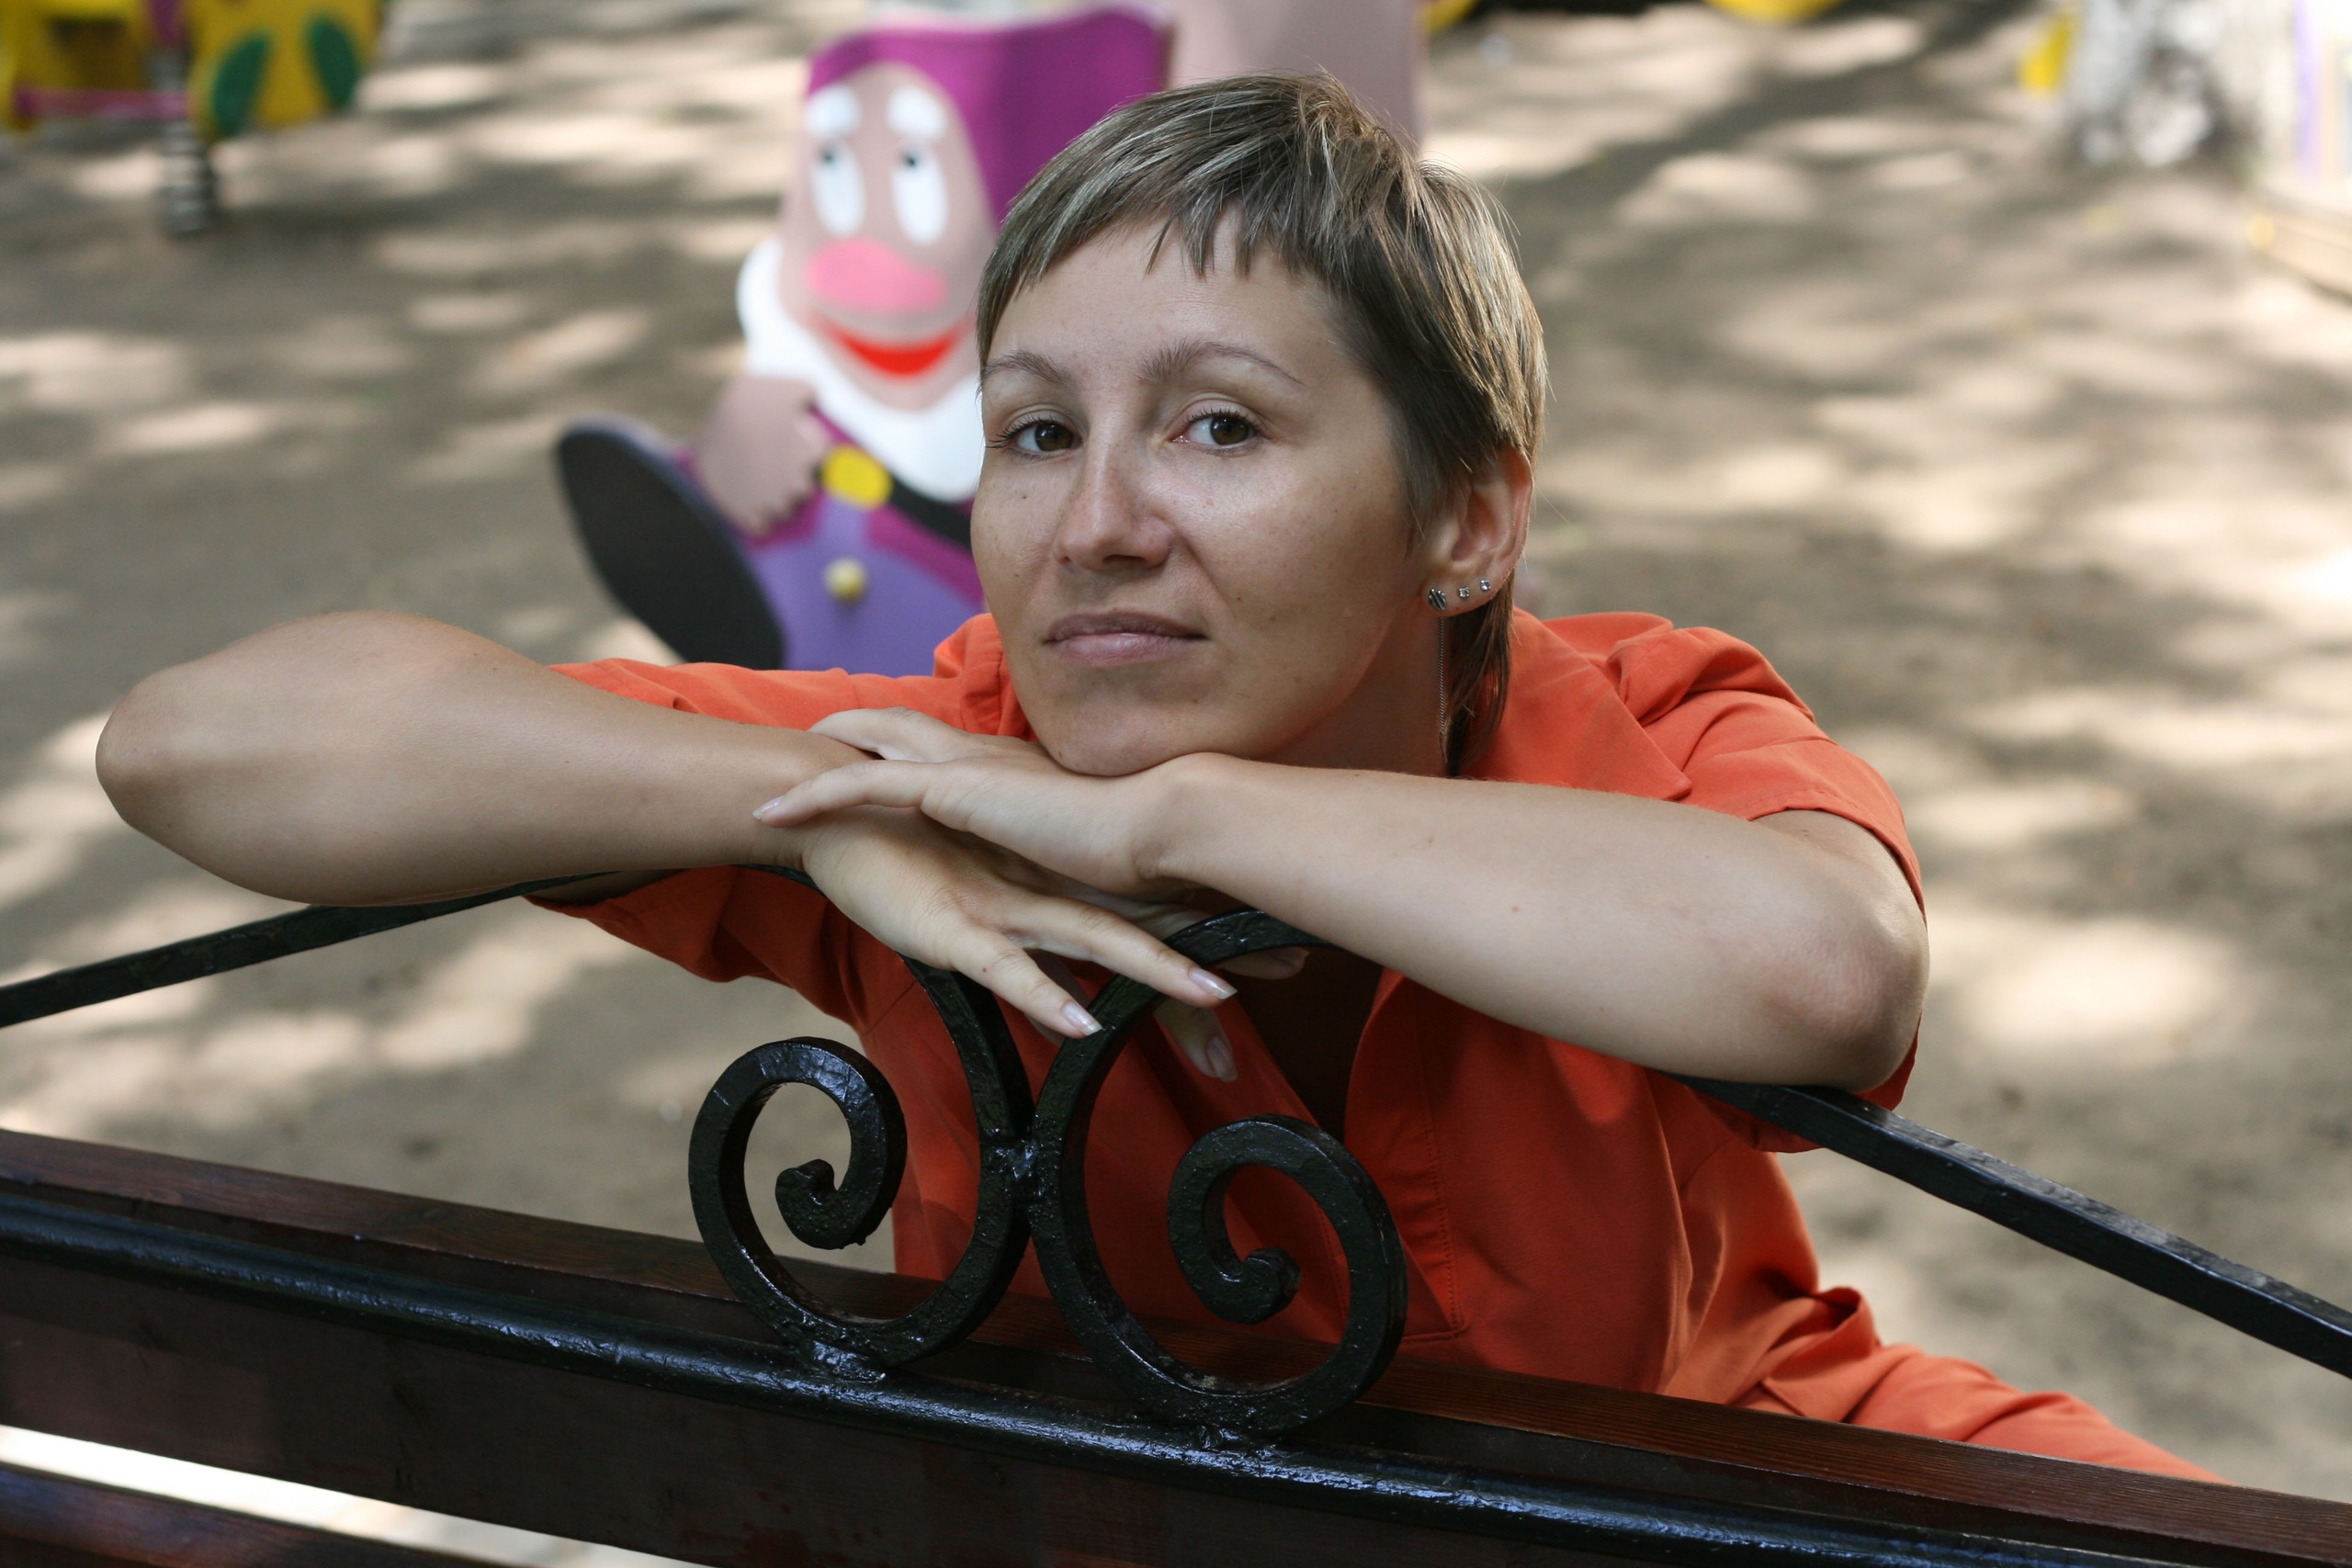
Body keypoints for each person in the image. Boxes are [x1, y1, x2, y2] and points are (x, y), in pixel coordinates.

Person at [96, 74, 2214, 1479]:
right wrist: (824, 807)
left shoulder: (1651, 714)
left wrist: (1161, 821)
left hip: (1715, 1477)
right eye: (1034, 431)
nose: (1093, 524)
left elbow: (1819, 970)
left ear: (1466, 517)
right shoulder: (926, 764)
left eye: (1216, 425)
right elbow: (199, 744)